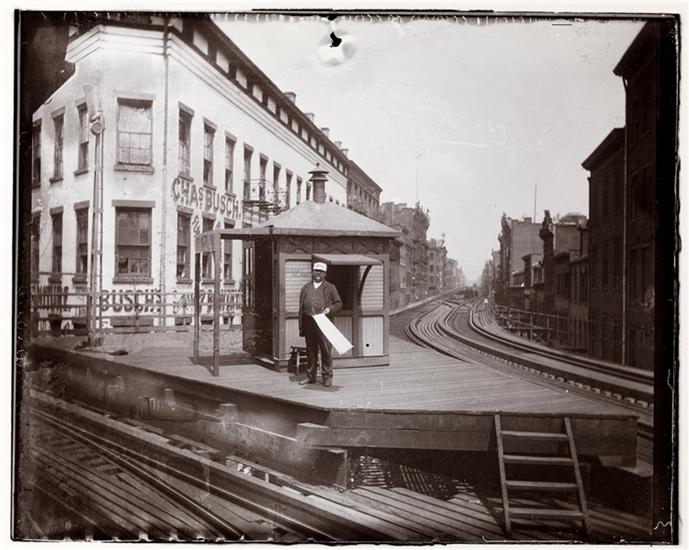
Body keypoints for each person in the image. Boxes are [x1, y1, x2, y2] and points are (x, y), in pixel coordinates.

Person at [298, 261, 342, 387]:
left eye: (321, 272)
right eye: (316, 271)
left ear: (325, 274)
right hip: (309, 321)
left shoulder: (330, 287)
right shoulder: (305, 288)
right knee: (310, 350)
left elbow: (339, 303)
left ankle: (327, 377)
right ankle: (310, 376)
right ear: (312, 272)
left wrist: (330, 309)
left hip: (324, 322)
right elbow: (301, 306)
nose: (318, 273)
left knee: (325, 350)